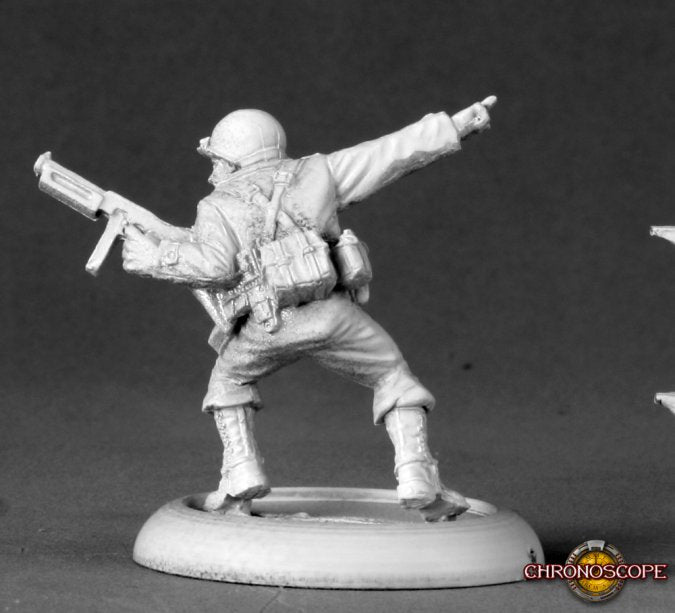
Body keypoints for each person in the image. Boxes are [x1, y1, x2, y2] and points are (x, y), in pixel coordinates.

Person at [122, 97, 496, 521]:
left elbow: (215, 268)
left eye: (217, 161)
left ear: (232, 159)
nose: (213, 172)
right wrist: (456, 125)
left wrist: (154, 258)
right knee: (393, 377)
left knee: (228, 380)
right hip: (332, 315)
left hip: (267, 324)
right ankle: (416, 475)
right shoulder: (319, 172)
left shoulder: (217, 204)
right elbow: (391, 152)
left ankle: (241, 472)